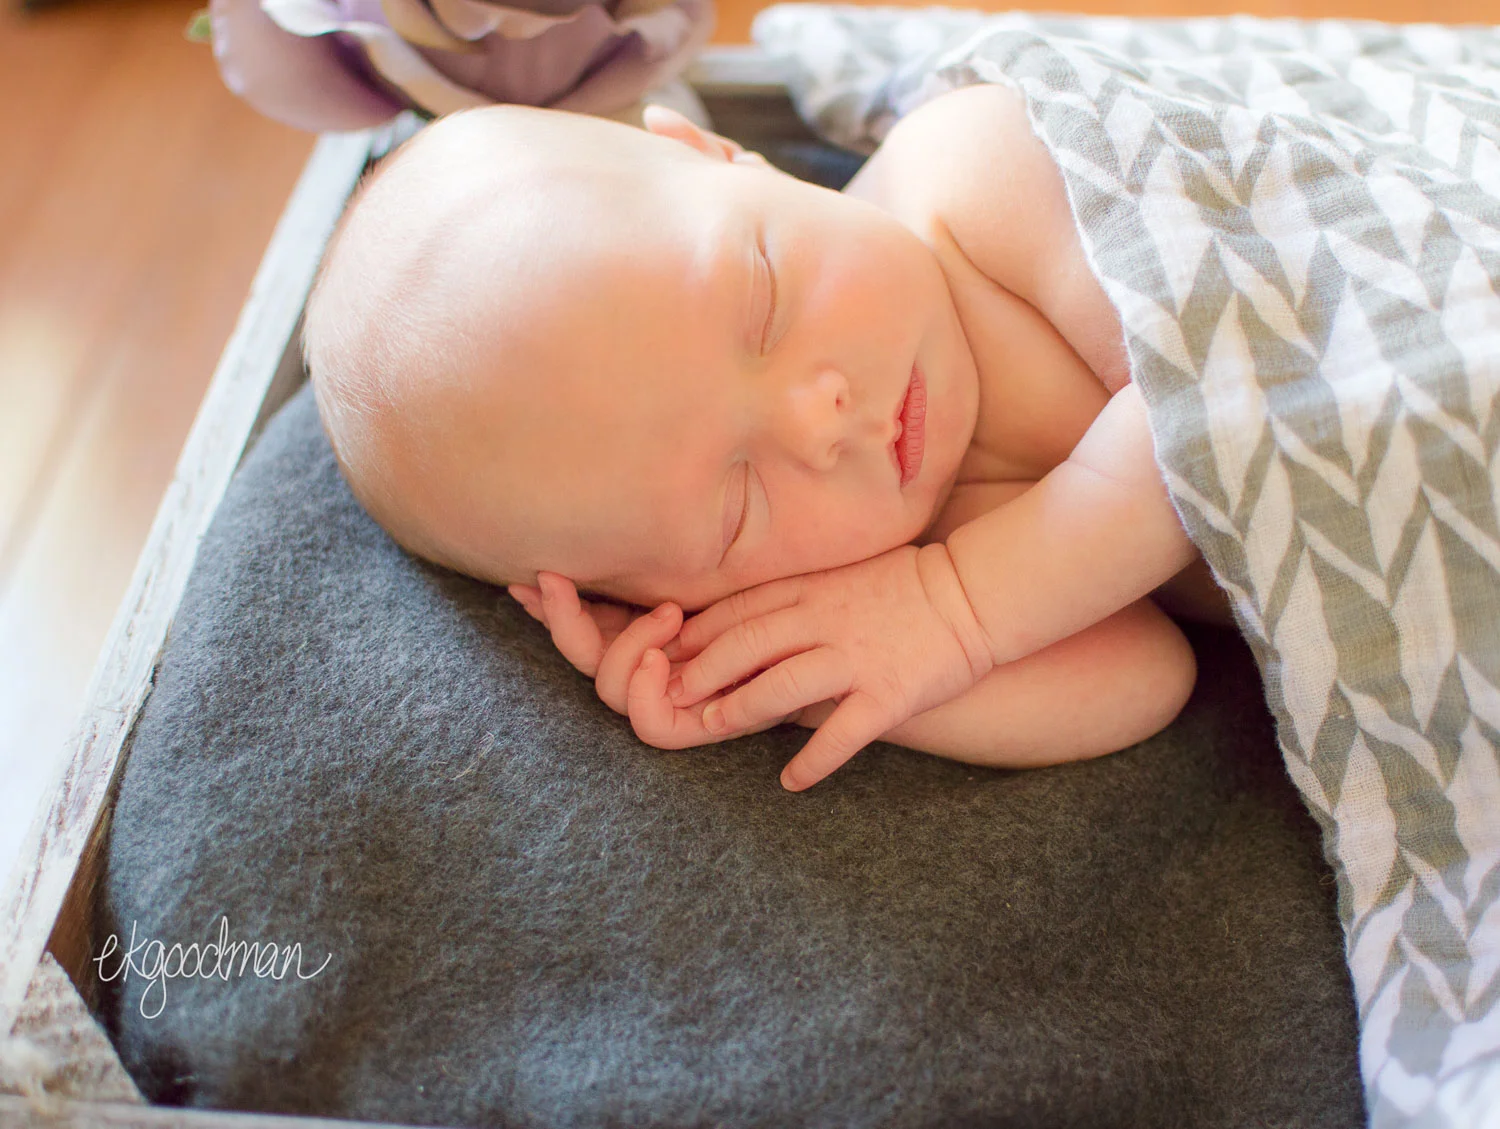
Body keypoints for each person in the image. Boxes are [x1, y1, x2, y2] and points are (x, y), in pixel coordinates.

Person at [304, 87, 1228, 794]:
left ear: (716, 154)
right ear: (691, 594)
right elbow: (1145, 677)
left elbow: (1209, 393)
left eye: (763, 306)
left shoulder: (969, 171)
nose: (816, 421)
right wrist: (795, 669)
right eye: (737, 505)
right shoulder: (895, 562)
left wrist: (958, 608)